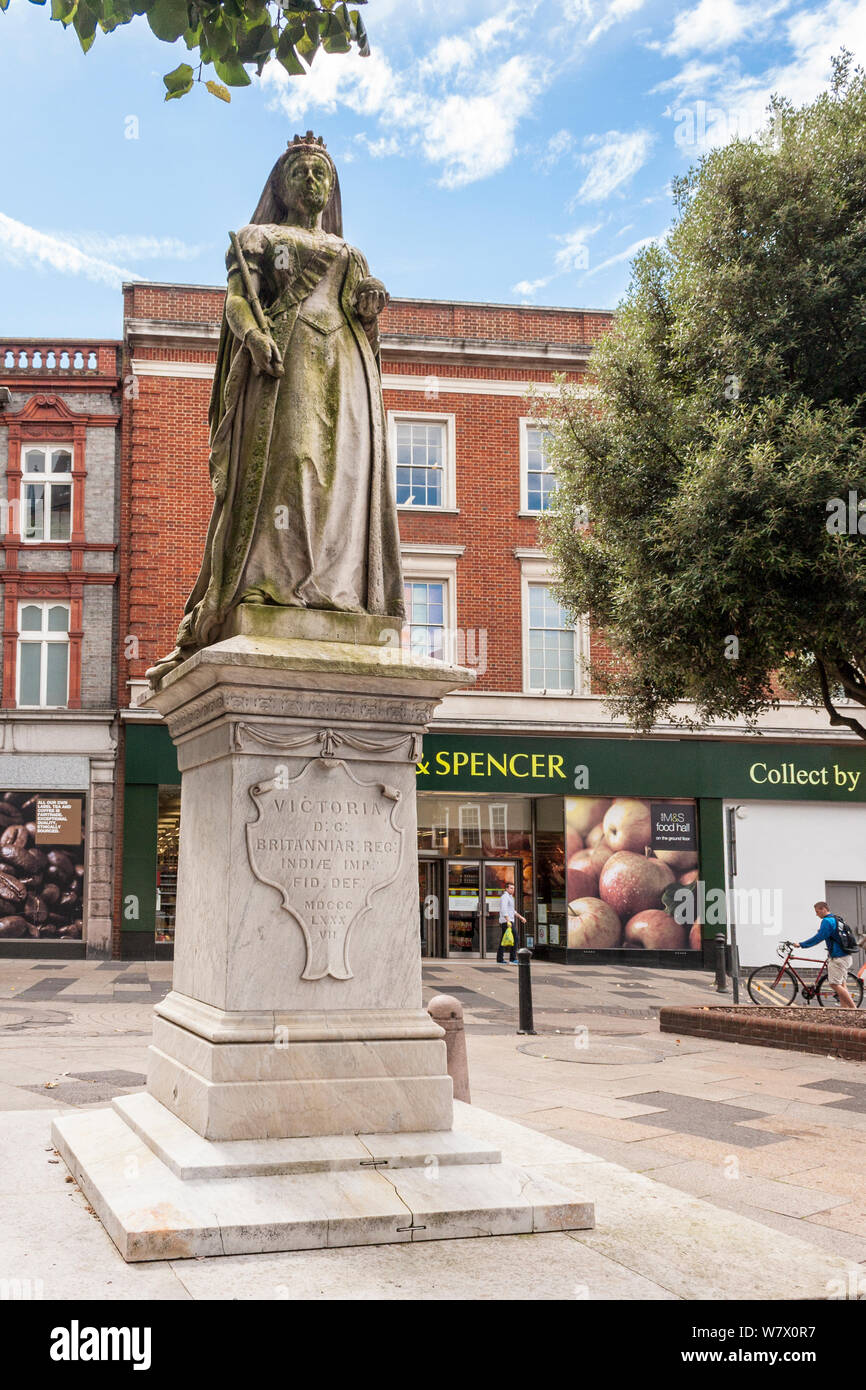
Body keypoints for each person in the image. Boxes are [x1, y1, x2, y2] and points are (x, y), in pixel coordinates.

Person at [147, 132, 404, 685]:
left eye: (320, 174)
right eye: (300, 173)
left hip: (345, 365)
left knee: (342, 479)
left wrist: (371, 303)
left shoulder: (351, 253)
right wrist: (251, 336)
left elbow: (364, 318)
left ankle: (334, 592)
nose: (311, 182)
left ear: (331, 188)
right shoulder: (257, 237)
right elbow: (240, 299)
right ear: (280, 186)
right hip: (287, 362)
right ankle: (270, 584)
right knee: (294, 465)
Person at [796, 901, 856, 1008]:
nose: (816, 914)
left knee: (834, 984)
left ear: (824, 909)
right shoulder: (836, 919)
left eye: (817, 911)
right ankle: (844, 1009)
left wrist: (801, 944)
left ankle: (853, 1009)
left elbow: (818, 938)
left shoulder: (827, 921)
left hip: (838, 958)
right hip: (846, 956)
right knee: (842, 984)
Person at [497, 880, 526, 964]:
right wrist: (508, 920)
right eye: (511, 888)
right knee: (516, 938)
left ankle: (500, 959)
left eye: (513, 888)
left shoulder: (510, 897)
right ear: (506, 889)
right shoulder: (505, 897)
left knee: (503, 940)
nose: (513, 890)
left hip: (508, 921)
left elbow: (512, 910)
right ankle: (512, 959)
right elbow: (504, 909)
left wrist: (521, 917)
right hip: (507, 922)